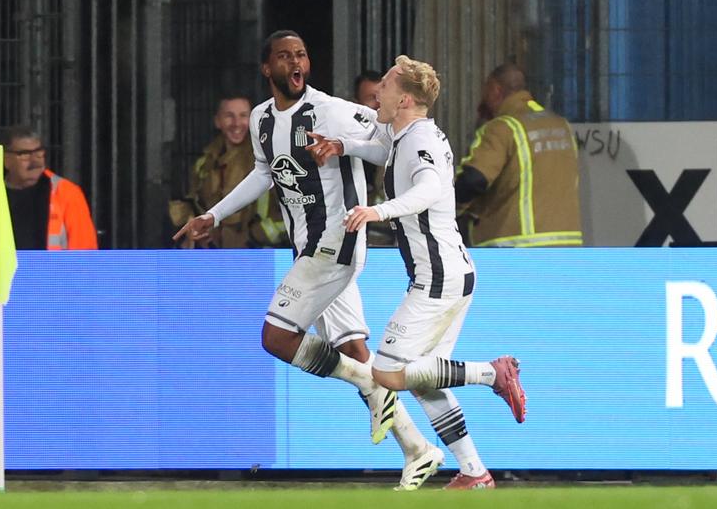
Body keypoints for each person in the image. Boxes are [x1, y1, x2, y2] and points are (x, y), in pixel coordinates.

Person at [173, 30, 437, 491]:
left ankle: (374, 385)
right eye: (285, 56)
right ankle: (418, 449)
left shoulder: (333, 110)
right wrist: (213, 215)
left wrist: (343, 146)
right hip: (309, 250)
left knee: (275, 337)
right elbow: (263, 172)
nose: (296, 62)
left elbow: (387, 143)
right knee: (355, 352)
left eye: (301, 54)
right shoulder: (261, 120)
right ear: (267, 68)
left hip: (336, 243)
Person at [310, 55, 527, 490]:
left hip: (440, 276)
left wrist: (377, 211)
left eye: (386, 86)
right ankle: (474, 472)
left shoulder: (420, 140)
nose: (378, 93)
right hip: (446, 271)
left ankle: (492, 373)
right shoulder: (407, 135)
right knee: (425, 378)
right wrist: (343, 145)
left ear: (405, 98)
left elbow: (430, 188)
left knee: (388, 373)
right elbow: (384, 151)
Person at [455, 63, 583, 248]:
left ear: (495, 90)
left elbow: (475, 179)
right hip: (568, 245)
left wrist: (445, 207)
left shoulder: (502, 128)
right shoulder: (562, 126)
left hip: (517, 247)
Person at [169, 95, 287, 249]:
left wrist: (254, 235)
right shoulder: (203, 164)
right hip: (212, 256)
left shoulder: (271, 160)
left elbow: (294, 214)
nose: (236, 123)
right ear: (217, 121)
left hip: (262, 258)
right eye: (229, 116)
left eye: (243, 116)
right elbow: (193, 206)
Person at [0, 125, 98, 250]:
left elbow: (84, 255)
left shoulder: (67, 194)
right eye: (25, 154)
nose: (35, 160)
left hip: (51, 281)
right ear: (6, 159)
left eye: (39, 152)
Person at [353, 70, 394, 247]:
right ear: (356, 104)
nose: (378, 104)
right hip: (349, 241)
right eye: (371, 97)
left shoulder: (401, 139)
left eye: (381, 97)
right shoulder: (345, 141)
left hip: (390, 245)